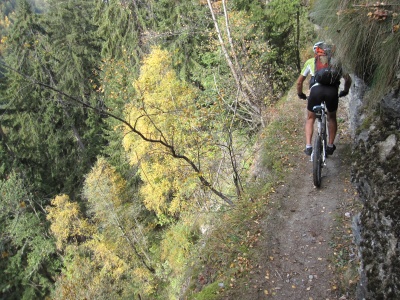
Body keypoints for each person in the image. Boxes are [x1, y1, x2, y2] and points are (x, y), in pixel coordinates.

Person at [296, 42, 352, 156]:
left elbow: (299, 82)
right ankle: (330, 146)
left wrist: (300, 94)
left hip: (316, 92)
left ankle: (308, 146)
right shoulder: (337, 63)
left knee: (310, 118)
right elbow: (348, 80)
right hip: (332, 92)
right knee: (331, 117)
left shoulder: (311, 62)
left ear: (316, 52)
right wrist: (345, 91)